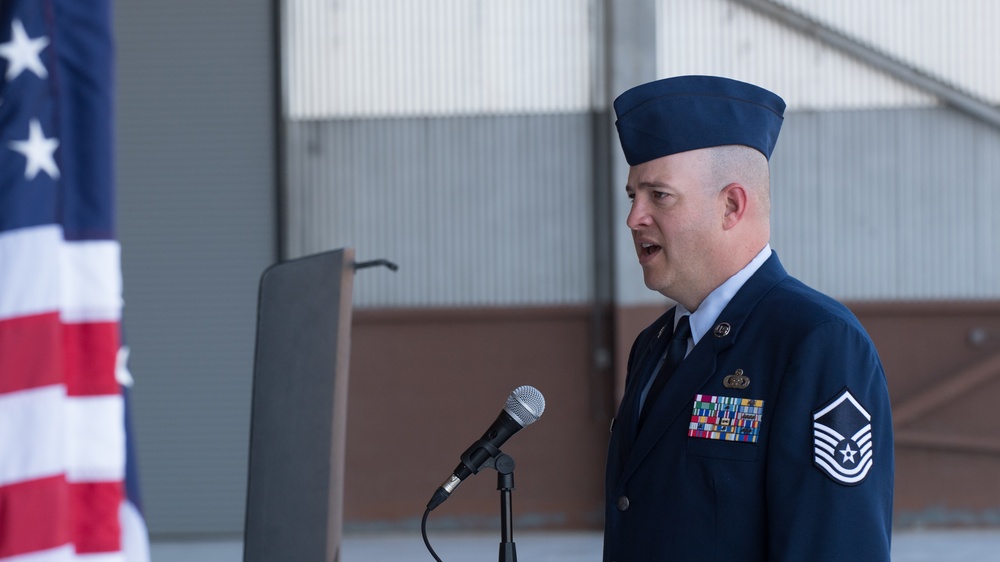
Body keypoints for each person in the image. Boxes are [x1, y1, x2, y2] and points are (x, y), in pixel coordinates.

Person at [603, 75, 893, 561]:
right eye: (632, 196)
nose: (635, 217)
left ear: (732, 206)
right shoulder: (654, 345)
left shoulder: (816, 341)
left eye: (659, 195)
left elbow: (834, 547)